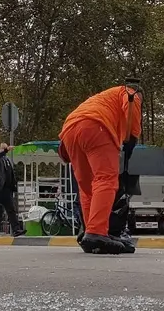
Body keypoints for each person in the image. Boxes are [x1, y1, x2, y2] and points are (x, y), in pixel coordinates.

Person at [58, 84, 141, 254]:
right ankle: (96, 232)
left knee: (88, 187)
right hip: (97, 126)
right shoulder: (130, 92)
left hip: (69, 130)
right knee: (106, 179)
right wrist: (133, 137)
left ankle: (91, 233)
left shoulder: (101, 98)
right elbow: (131, 111)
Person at [0, 144, 23, 238]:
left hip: (6, 189)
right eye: (3, 148)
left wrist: (13, 186)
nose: (5, 150)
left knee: (11, 209)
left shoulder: (7, 160)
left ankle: (16, 229)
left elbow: (10, 174)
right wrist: (5, 150)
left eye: (5, 148)